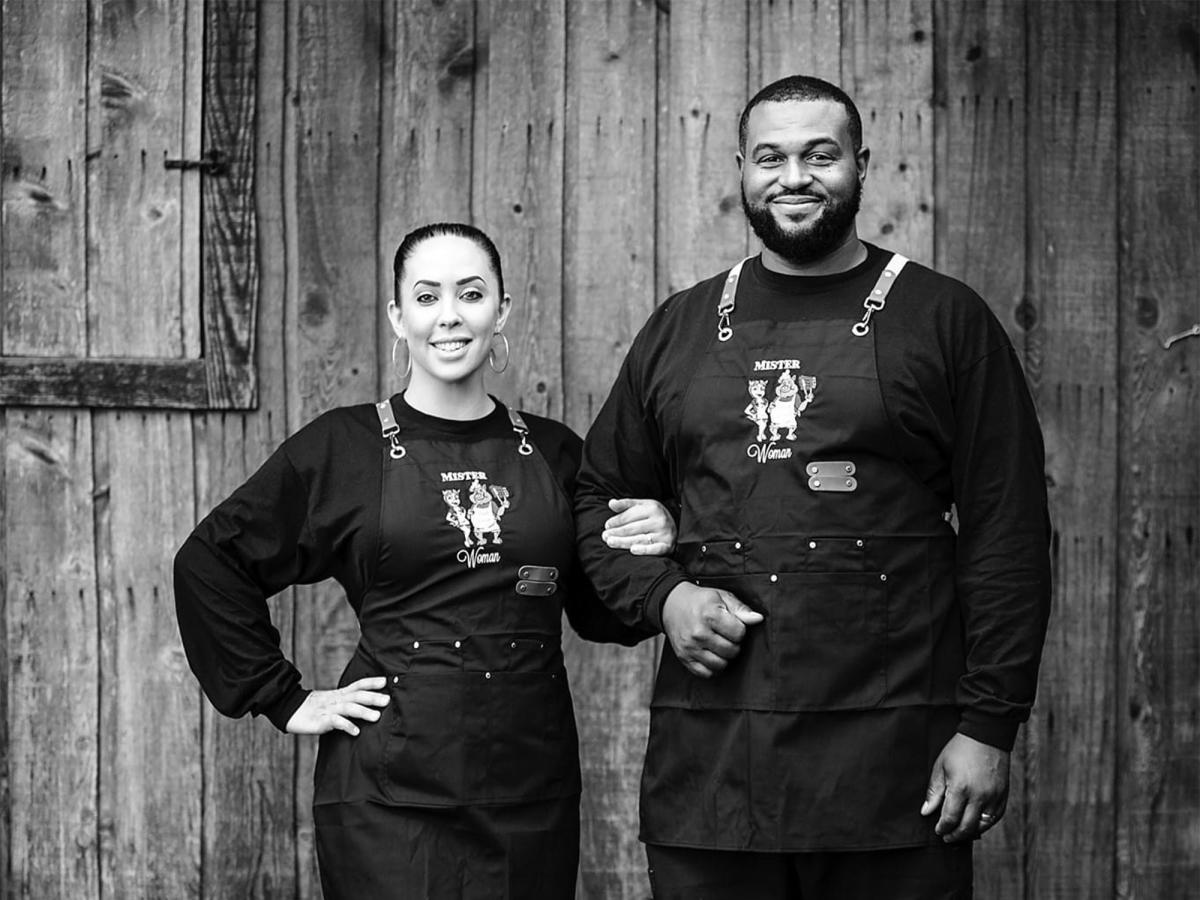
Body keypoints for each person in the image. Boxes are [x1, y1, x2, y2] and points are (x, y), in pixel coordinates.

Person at [575, 75, 1051, 898]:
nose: (794, 177)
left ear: (861, 166)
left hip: (899, 768)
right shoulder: (680, 327)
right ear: (741, 170)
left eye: (819, 155)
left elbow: (1008, 534)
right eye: (771, 157)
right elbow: (595, 502)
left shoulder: (945, 320)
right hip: (715, 773)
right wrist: (666, 601)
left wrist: (988, 725)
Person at [174, 222, 677, 900]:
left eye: (471, 294)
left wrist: (657, 537)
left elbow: (601, 606)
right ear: (398, 316)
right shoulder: (344, 448)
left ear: (501, 309)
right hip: (387, 796)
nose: (449, 316)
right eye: (427, 295)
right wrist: (285, 698)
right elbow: (211, 561)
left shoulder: (557, 454)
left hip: (528, 793)